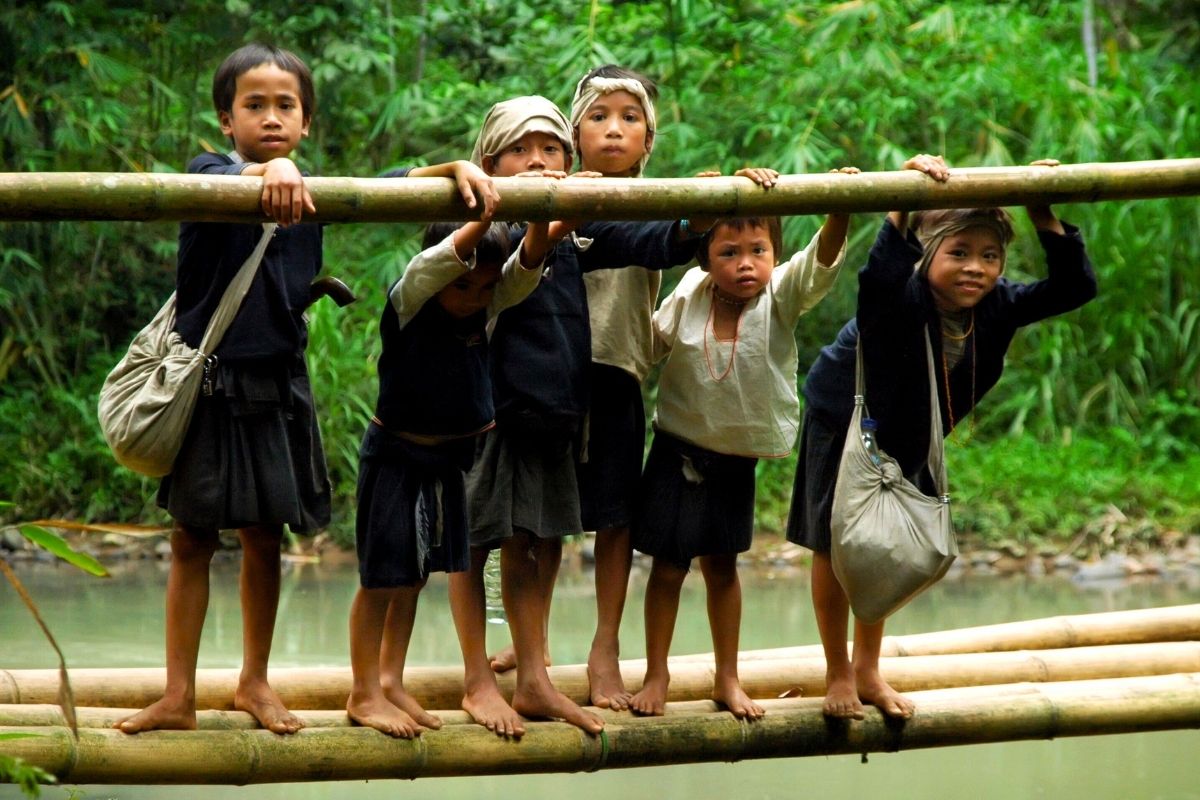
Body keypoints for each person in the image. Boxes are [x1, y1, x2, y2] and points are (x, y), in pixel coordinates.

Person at [116, 43, 494, 735]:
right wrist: (269, 169)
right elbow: (221, 173)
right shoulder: (207, 177)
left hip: (278, 384)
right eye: (252, 105)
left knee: (264, 538)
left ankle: (254, 682)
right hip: (211, 385)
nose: (269, 117)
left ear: (307, 120)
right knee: (191, 540)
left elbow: (384, 181)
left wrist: (450, 169)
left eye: (284, 106)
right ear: (225, 120)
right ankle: (178, 693)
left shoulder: (313, 193)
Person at [787, 154, 1097, 720]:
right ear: (928, 255)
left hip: (910, 431)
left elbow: (1074, 287)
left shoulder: (998, 306)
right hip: (846, 418)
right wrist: (904, 203)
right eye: (958, 253)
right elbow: (876, 278)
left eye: (989, 256)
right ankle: (838, 674)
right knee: (835, 543)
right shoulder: (901, 296)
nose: (975, 268)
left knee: (883, 538)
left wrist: (1042, 210)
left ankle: (869, 671)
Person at [452, 94, 706, 736]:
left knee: (538, 531)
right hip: (486, 404)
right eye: (520, 151)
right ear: (490, 162)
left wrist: (705, 211)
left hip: (556, 401)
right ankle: (480, 677)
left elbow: (650, 238)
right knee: (480, 536)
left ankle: (536, 674)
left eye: (549, 151)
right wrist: (465, 178)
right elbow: (497, 268)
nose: (537, 162)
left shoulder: (583, 222)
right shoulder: (481, 221)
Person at [629, 179, 852, 718]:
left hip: (734, 458)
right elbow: (649, 344)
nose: (746, 263)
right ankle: (655, 673)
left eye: (758, 251)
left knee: (722, 569)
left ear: (774, 256)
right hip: (676, 448)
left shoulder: (781, 295)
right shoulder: (689, 291)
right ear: (705, 257)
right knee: (666, 568)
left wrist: (840, 207)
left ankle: (727, 677)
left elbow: (818, 261)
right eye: (729, 252)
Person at [485, 64, 658, 711]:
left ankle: (605, 648)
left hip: (616, 371)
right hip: (542, 376)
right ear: (573, 135)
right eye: (598, 117)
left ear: (648, 139)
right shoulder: (545, 199)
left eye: (629, 118)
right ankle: (530, 644)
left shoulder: (655, 198)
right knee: (535, 519)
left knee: (614, 518)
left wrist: (711, 206)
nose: (614, 130)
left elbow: (677, 241)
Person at [346, 215, 552, 738]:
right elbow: (434, 266)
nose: (474, 297)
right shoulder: (410, 302)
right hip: (395, 458)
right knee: (379, 581)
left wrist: (552, 216)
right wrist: (482, 216)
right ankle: (363, 692)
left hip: (446, 464)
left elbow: (520, 273)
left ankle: (391, 680)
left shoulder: (481, 312)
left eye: (483, 287)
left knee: (413, 577)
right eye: (463, 284)